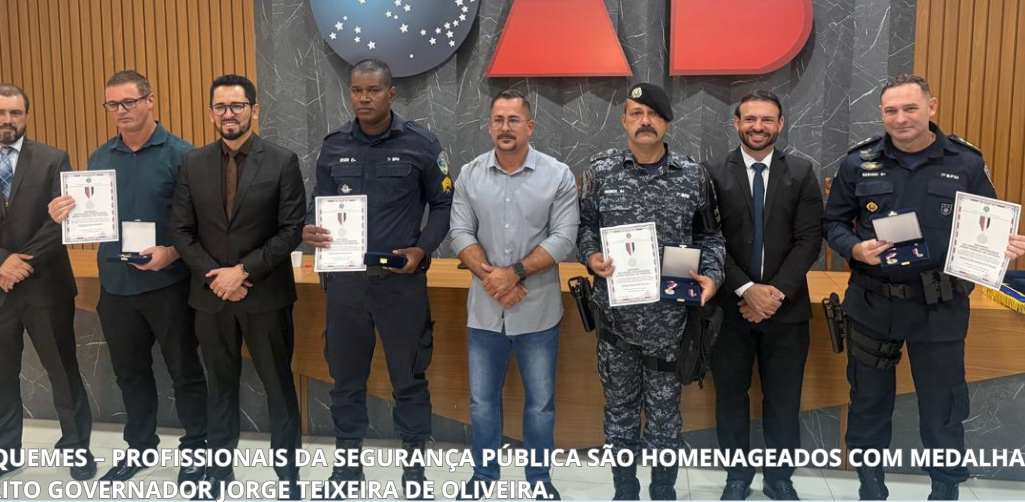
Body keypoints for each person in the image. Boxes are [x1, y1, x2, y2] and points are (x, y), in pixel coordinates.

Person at [824, 74, 1025, 501]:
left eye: (910, 108)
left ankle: (944, 489)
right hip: (874, 303)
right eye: (891, 110)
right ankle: (871, 487)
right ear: (882, 113)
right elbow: (833, 222)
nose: (900, 118)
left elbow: (988, 222)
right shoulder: (858, 162)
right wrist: (855, 248)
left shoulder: (965, 162)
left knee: (943, 410)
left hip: (940, 305)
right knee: (868, 404)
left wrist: (1003, 245)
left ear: (931, 107)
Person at [47, 71, 207, 483]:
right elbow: (92, 217)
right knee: (130, 374)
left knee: (185, 372)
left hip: (168, 284)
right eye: (113, 104)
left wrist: (171, 252)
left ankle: (196, 450)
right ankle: (140, 447)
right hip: (116, 287)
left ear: (150, 101)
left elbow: (200, 223)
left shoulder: (183, 155)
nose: (121, 111)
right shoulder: (100, 158)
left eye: (129, 102)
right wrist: (65, 214)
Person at [302, 59, 452, 498]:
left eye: (373, 90)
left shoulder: (421, 144)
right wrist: (309, 227)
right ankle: (347, 473)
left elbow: (444, 205)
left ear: (391, 93)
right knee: (346, 383)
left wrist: (422, 250)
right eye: (356, 90)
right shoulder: (333, 145)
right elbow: (318, 202)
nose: (364, 98)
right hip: (346, 285)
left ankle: (415, 475)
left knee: (409, 382)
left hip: (399, 284)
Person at [576, 83, 725, 500]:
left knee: (664, 424)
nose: (645, 121)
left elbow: (711, 237)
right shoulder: (601, 171)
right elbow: (585, 227)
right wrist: (590, 257)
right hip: (616, 325)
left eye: (654, 114)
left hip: (671, 326)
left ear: (667, 122)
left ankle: (663, 492)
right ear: (624, 120)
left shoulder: (693, 174)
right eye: (637, 113)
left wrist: (712, 277)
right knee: (620, 419)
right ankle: (624, 491)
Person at [170, 74, 306, 499]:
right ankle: (219, 470)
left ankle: (288, 474)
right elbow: (181, 230)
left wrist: (242, 271)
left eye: (237, 106)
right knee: (220, 387)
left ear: (254, 110)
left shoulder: (282, 161)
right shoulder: (193, 163)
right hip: (211, 297)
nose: (228, 114)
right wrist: (216, 276)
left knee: (278, 386)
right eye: (221, 107)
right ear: (211, 113)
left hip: (265, 296)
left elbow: (291, 230)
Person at [0, 85, 95, 482]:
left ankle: (77, 447)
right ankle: (3, 456)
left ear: (26, 116)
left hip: (45, 287)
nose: (7, 120)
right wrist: (0, 263)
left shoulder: (53, 159)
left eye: (15, 113)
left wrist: (20, 264)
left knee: (63, 372)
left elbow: (61, 221)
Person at [448, 90, 579, 500]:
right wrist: (494, 280)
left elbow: (564, 238)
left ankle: (539, 480)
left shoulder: (557, 175)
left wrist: (514, 274)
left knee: (540, 403)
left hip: (537, 312)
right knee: (481, 403)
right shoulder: (470, 174)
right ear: (489, 126)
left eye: (514, 120)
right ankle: (484, 477)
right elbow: (459, 233)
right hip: (485, 311)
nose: (505, 128)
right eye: (498, 120)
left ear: (530, 126)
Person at [704, 91, 823, 501]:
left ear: (781, 124)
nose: (758, 127)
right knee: (731, 398)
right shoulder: (712, 173)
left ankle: (779, 478)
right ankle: (737, 477)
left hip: (786, 311)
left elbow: (810, 240)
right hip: (729, 309)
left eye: (767, 120)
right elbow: (708, 239)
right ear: (736, 123)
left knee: (783, 400)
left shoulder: (802, 172)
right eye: (750, 119)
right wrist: (746, 289)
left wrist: (773, 294)